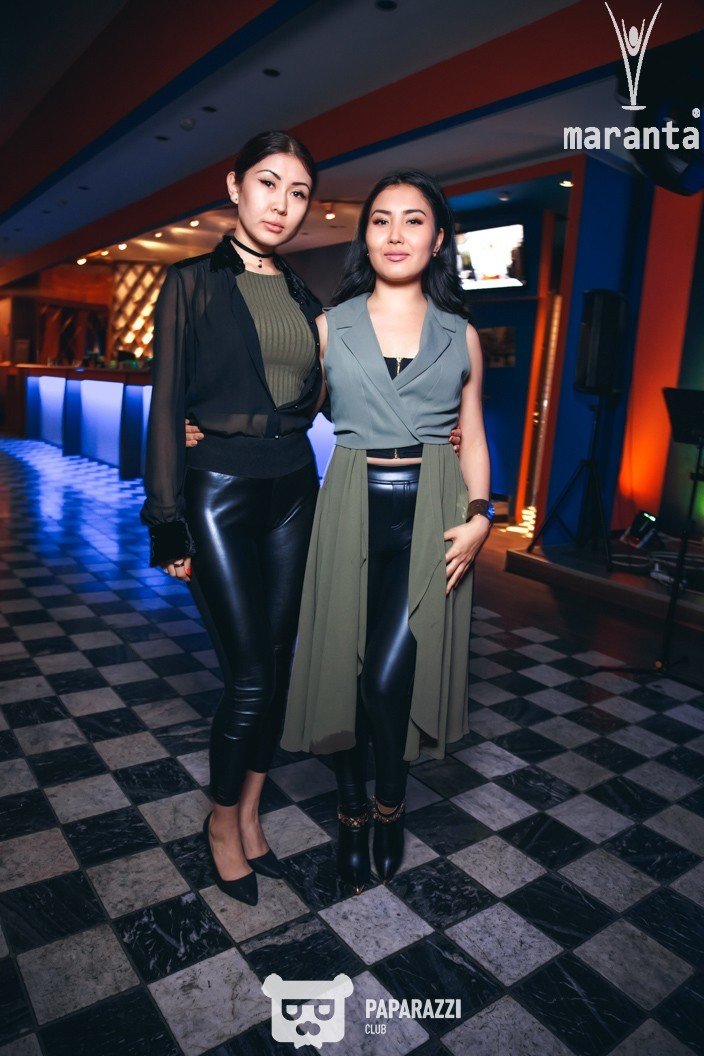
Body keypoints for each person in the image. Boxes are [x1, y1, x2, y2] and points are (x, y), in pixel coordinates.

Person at [279, 169, 492, 891]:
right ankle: (350, 810)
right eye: (380, 220)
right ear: (364, 237)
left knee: (389, 674)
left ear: (438, 240)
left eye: (413, 220)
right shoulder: (329, 327)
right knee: (344, 666)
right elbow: (285, 416)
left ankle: (390, 804)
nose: (395, 234)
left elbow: (473, 433)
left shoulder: (461, 335)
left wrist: (483, 515)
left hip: (433, 515)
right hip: (349, 506)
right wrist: (206, 430)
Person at [141, 131, 327, 905]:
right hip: (218, 489)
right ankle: (220, 823)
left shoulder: (306, 297)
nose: (282, 204)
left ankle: (251, 815)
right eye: (268, 183)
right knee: (248, 675)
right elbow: (165, 406)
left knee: (278, 666)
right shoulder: (189, 282)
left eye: (298, 192)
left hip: (294, 486)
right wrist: (166, 518)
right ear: (235, 186)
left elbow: (328, 396)